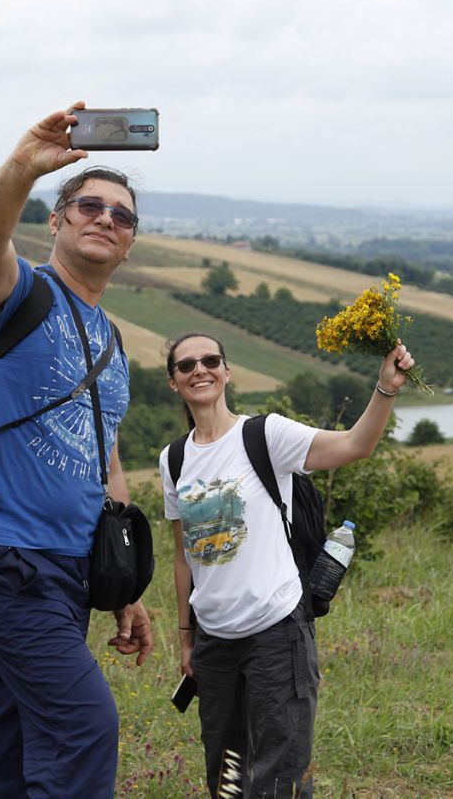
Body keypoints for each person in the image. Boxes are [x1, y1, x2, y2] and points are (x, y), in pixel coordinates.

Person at [0, 101, 153, 797]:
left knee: (18, 735)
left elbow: (106, 459)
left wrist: (125, 583)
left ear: (128, 244)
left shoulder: (114, 345)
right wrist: (25, 164)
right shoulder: (21, 294)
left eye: (121, 215)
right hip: (3, 551)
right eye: (89, 205)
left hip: (64, 566)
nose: (105, 218)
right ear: (56, 221)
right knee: (85, 724)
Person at [158, 332, 414, 797]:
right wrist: (186, 636)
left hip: (275, 632)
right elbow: (183, 556)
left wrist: (386, 388)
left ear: (227, 371)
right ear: (174, 382)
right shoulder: (174, 459)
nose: (200, 369)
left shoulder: (265, 435)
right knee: (227, 777)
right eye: (186, 365)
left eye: (210, 360)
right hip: (214, 643)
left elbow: (355, 445)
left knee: (279, 777)